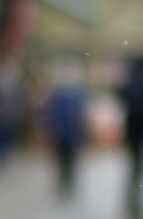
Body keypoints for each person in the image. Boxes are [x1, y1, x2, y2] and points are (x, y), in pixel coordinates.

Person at [42, 62, 88, 200]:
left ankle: (67, 185)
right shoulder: (61, 96)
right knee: (64, 162)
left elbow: (80, 117)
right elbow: (54, 115)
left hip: (71, 135)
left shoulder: (75, 95)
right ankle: (64, 184)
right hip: (65, 135)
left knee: (69, 162)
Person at [119, 56, 143, 218]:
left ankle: (133, 201)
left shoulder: (132, 83)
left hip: (134, 133)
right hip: (142, 134)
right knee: (140, 170)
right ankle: (135, 202)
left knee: (135, 169)